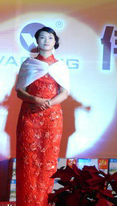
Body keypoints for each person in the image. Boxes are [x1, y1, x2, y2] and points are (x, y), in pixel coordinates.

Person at [15, 26, 70, 206]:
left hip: (52, 118)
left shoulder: (61, 66)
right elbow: (20, 91)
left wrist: (48, 103)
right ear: (37, 41)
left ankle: (43, 202)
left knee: (47, 161)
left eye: (50, 37)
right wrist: (35, 99)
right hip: (30, 116)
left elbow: (64, 93)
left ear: (55, 42)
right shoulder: (29, 64)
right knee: (28, 161)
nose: (46, 40)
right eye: (42, 37)